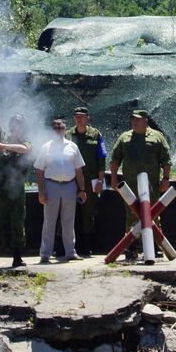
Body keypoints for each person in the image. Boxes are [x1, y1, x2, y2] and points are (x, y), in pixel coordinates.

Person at [110, 110, 171, 256]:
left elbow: (166, 160)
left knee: (153, 213)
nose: (134, 122)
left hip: (151, 186)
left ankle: (155, 246)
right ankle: (131, 247)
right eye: (132, 119)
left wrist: (166, 178)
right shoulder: (125, 137)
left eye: (137, 119)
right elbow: (115, 159)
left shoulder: (157, 137)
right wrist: (113, 178)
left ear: (145, 121)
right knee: (131, 215)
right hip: (130, 185)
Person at [0, 94, 31, 269]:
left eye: (18, 124)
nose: (15, 127)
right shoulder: (2, 136)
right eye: (13, 124)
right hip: (0, 189)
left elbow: (24, 149)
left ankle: (17, 258)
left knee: (17, 223)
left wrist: (4, 147)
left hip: (17, 190)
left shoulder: (25, 142)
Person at [35, 119, 87, 263]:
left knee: (69, 221)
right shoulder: (46, 147)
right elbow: (39, 170)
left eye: (61, 127)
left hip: (70, 186)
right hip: (51, 186)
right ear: (52, 130)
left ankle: (70, 252)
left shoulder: (72, 146)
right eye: (55, 127)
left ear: (65, 129)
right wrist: (41, 191)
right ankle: (45, 254)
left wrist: (82, 189)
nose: (58, 129)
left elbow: (78, 170)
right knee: (49, 221)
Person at [66, 107, 107, 256]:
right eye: (76, 116)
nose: (79, 119)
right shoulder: (67, 135)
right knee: (67, 212)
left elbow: (102, 159)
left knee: (88, 212)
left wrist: (101, 181)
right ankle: (64, 246)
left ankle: (87, 245)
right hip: (70, 179)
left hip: (90, 181)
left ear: (88, 118)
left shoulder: (96, 135)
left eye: (82, 117)